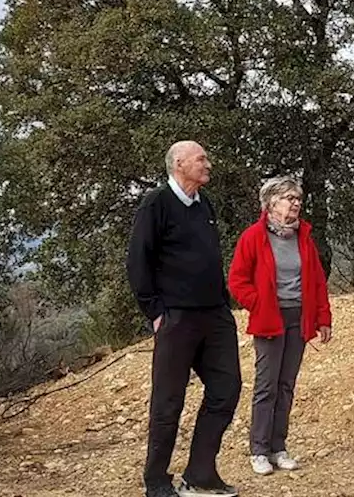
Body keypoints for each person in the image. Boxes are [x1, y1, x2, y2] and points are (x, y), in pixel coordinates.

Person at [126, 141, 242, 497]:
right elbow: (137, 260)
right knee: (168, 400)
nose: (208, 164)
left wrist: (223, 303)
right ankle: (156, 481)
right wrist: (155, 311)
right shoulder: (156, 203)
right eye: (201, 159)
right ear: (179, 164)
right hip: (176, 319)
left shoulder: (204, 204)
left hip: (214, 315)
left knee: (226, 389)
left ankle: (200, 473)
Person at [227, 176, 333, 477]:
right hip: (269, 320)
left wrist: (323, 318)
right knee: (266, 386)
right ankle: (259, 450)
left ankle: (278, 447)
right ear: (271, 203)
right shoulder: (253, 236)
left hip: (298, 319)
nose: (296, 203)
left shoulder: (304, 238)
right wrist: (258, 303)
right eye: (289, 198)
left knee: (286, 386)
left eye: (298, 199)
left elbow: (316, 282)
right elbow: (237, 280)